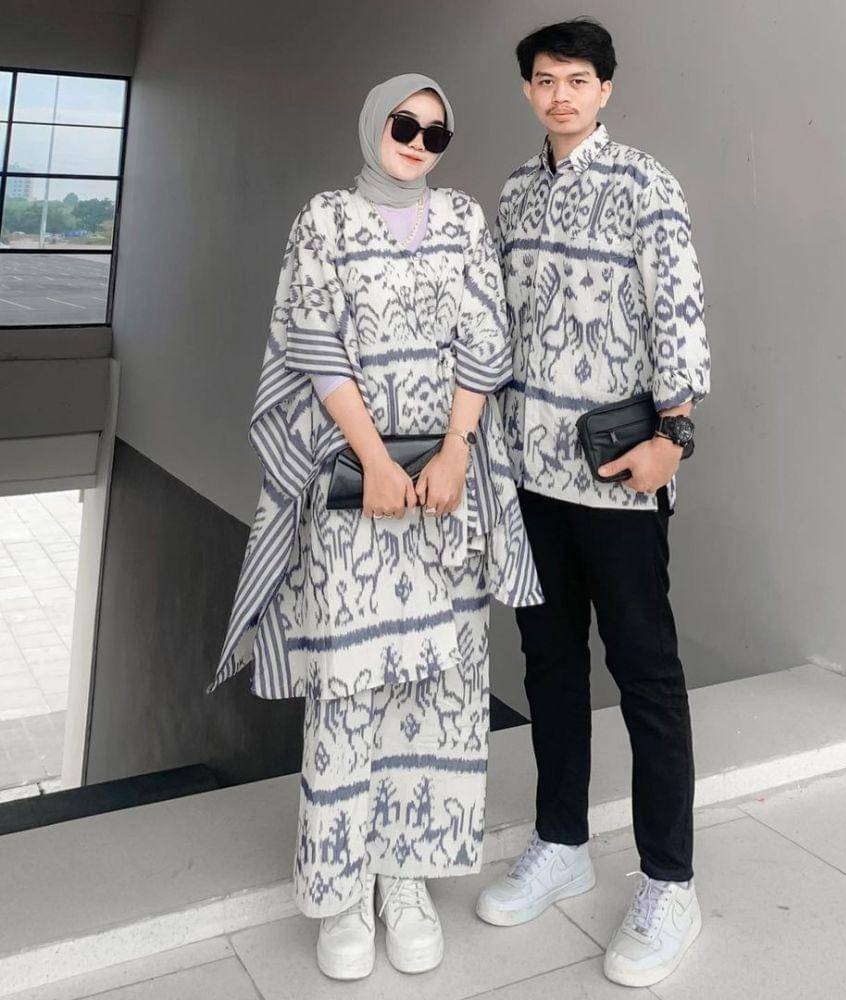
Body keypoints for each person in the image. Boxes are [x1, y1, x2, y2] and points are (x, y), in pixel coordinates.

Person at [206, 73, 542, 981]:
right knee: (349, 692)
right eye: (405, 124)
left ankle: (406, 877)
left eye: (437, 133)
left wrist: (456, 453)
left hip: (443, 498)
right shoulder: (324, 219)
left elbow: (486, 340)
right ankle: (344, 890)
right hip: (355, 494)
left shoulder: (464, 219)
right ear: (373, 124)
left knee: (438, 688)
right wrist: (377, 461)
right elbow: (314, 343)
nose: (419, 143)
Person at [475, 19, 711, 989]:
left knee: (645, 675)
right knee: (548, 665)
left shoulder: (645, 184)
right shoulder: (512, 192)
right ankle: (562, 841)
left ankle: (669, 883)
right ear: (528, 91)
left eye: (578, 79)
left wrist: (675, 435)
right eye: (545, 80)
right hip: (529, 475)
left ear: (605, 89)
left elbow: (678, 309)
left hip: (617, 477)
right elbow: (495, 324)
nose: (561, 94)